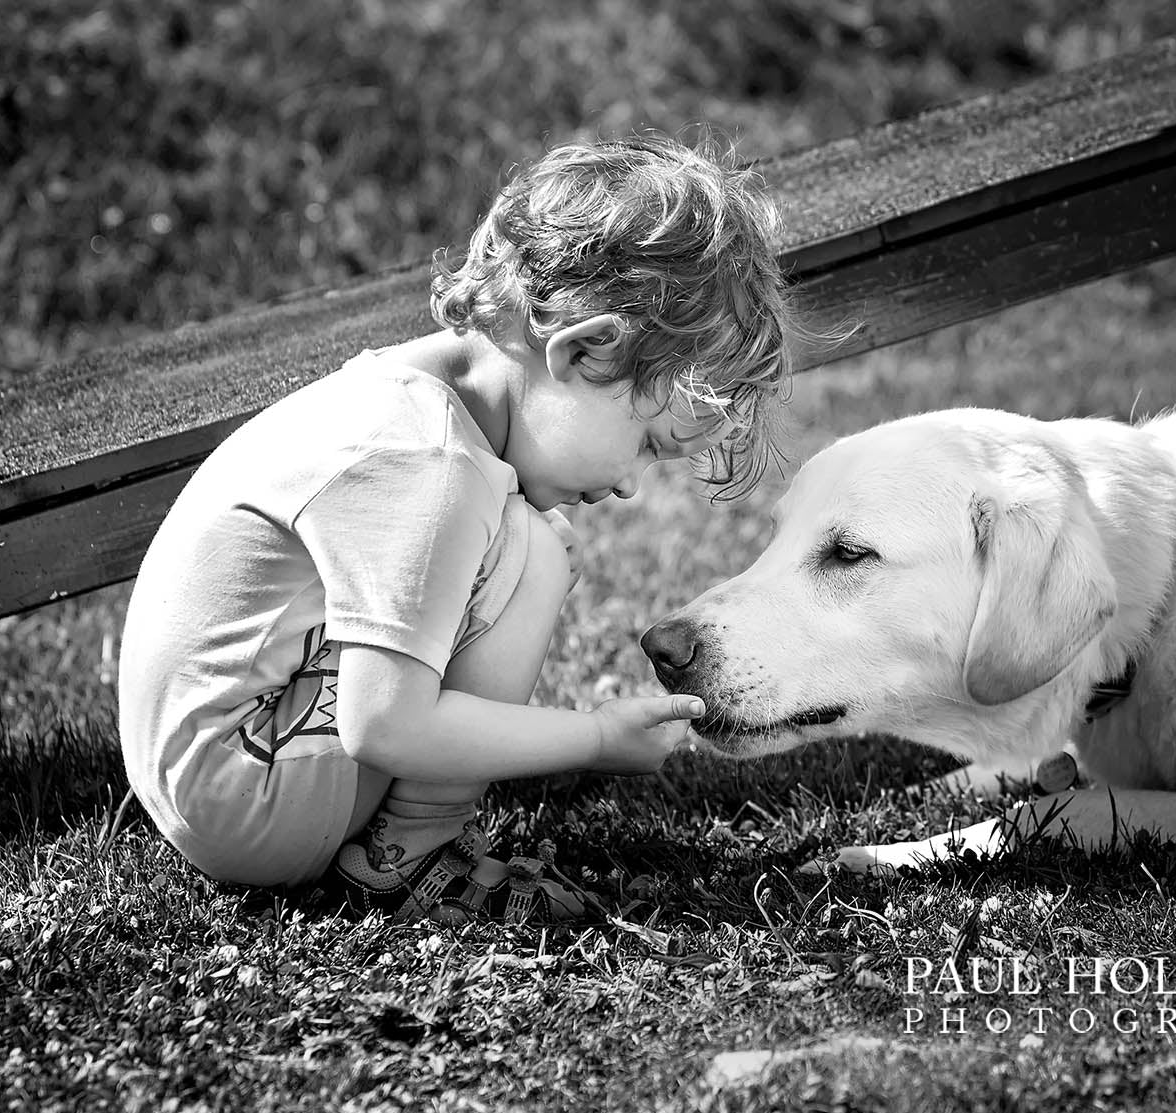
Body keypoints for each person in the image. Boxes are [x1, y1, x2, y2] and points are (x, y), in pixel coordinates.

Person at [117, 131, 811, 923]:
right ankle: (409, 853)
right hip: (252, 795)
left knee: (521, 535)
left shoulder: (402, 400)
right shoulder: (434, 466)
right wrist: (591, 737)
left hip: (206, 776)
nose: (626, 483)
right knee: (534, 551)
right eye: (648, 443)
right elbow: (386, 723)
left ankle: (402, 825)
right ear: (582, 352)